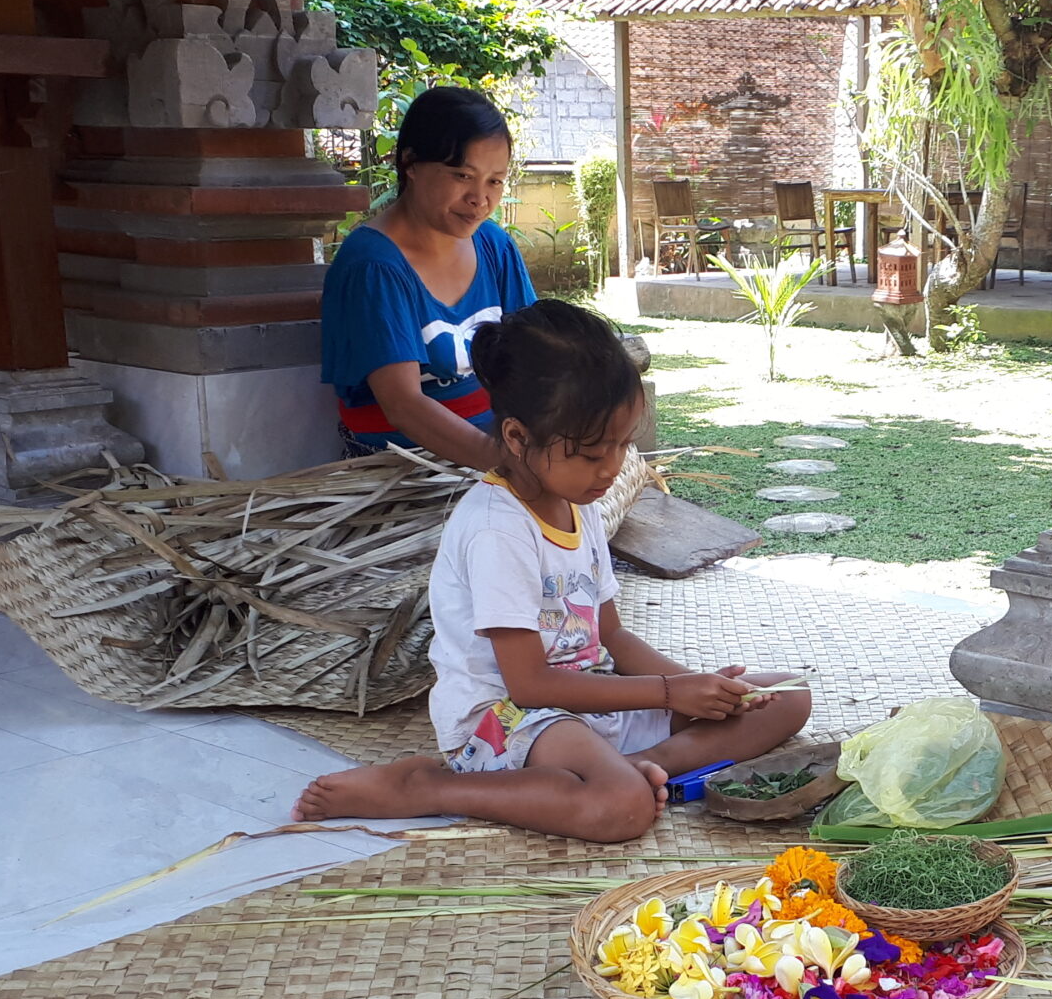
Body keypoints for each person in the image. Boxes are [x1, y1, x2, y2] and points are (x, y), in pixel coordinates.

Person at [295, 300, 812, 842]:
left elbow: (609, 632)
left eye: (623, 446)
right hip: (509, 717)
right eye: (592, 454)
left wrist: (694, 686)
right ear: (518, 438)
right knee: (621, 809)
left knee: (789, 695)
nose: (612, 468)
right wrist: (667, 693)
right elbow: (530, 684)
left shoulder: (579, 501)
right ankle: (429, 786)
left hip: (586, 698)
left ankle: (642, 762)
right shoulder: (499, 529)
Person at [321, 86, 540, 468]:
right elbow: (404, 407)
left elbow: (535, 355)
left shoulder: (494, 246)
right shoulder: (373, 267)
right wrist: (512, 468)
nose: (480, 198)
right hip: (404, 471)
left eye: (495, 181)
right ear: (410, 164)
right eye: (462, 175)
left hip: (497, 455)